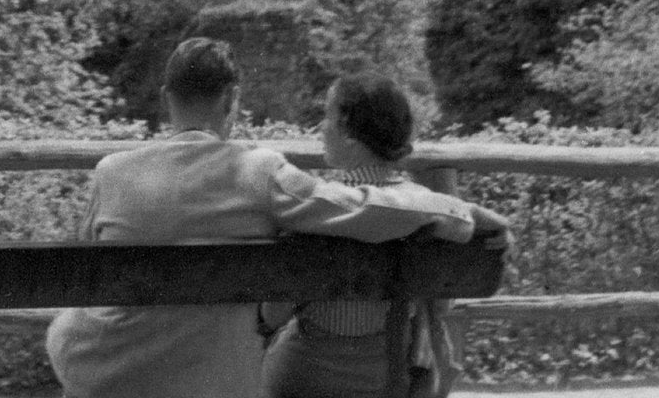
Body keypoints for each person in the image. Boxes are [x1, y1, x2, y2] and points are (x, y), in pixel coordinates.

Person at [45, 38, 500, 398]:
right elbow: (362, 208)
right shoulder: (258, 172)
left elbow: (87, 278)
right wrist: (458, 210)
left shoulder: (112, 172)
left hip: (101, 374)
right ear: (232, 100)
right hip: (215, 384)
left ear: (167, 99)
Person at [260, 72, 512, 398]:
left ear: (349, 134)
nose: (320, 127)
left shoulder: (317, 209)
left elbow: (273, 314)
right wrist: (476, 216)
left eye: (328, 116)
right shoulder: (427, 210)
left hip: (302, 378)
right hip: (381, 378)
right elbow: (443, 294)